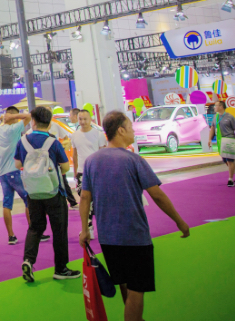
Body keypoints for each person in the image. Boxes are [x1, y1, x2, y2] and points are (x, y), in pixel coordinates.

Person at [80, 111, 190, 321]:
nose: (133, 131)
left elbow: (85, 197)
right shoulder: (134, 160)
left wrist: (85, 229)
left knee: (124, 282)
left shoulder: (92, 161)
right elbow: (157, 195)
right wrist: (179, 221)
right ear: (121, 130)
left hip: (107, 236)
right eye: (130, 127)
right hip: (134, 235)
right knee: (137, 287)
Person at [15, 106, 79, 283]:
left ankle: (28, 260)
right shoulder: (53, 142)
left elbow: (17, 164)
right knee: (59, 230)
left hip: (33, 192)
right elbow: (65, 167)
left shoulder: (23, 141)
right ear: (49, 123)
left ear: (33, 121)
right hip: (54, 192)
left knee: (35, 227)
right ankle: (61, 268)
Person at [0, 107, 40, 245]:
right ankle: (34, 232)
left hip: (2, 172)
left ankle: (11, 236)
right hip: (14, 170)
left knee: (7, 204)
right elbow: (29, 116)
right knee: (28, 200)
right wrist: (13, 117)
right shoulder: (13, 129)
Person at [69, 108, 106, 238]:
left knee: (97, 200)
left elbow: (103, 154)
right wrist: (75, 171)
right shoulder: (75, 135)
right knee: (84, 199)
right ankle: (88, 228)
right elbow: (74, 154)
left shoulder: (98, 135)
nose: (83, 122)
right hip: (81, 172)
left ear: (90, 119)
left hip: (96, 172)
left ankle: (102, 226)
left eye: (85, 119)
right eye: (80, 119)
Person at [208, 101, 235, 186]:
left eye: (216, 105)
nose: (214, 107)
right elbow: (212, 128)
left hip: (229, 139)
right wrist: (209, 139)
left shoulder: (230, 117)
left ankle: (230, 179)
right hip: (220, 141)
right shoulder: (215, 117)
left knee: (230, 160)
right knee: (225, 160)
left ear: (221, 107)